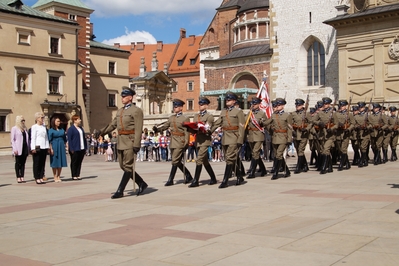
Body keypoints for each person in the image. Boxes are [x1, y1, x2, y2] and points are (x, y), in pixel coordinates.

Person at [98, 87, 148, 198]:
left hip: (130, 141)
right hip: (121, 141)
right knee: (123, 166)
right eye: (122, 96)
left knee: (128, 166)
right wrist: (101, 132)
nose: (122, 98)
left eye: (124, 96)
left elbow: (139, 128)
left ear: (130, 97)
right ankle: (141, 183)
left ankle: (120, 191)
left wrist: (136, 144)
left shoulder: (136, 111)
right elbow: (113, 125)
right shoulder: (120, 111)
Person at [153, 99, 193, 186]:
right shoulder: (171, 118)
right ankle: (188, 175)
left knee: (175, 161)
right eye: (174, 107)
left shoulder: (185, 118)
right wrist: (157, 129)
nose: (174, 108)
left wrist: (186, 142)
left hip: (180, 141)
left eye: (176, 107)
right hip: (173, 141)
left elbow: (187, 131)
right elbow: (165, 126)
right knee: (177, 161)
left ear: (181, 108)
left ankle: (170, 179)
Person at [212, 92, 245, 188]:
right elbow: (218, 123)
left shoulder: (238, 112)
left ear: (234, 101)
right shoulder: (223, 112)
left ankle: (225, 181)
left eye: (229, 100)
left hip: (234, 137)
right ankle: (239, 176)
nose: (227, 101)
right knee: (229, 159)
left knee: (230, 158)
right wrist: (208, 130)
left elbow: (242, 126)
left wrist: (240, 139)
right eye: (226, 99)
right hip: (225, 137)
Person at [188, 97, 217, 187]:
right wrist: (190, 128)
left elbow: (209, 129)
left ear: (206, 105)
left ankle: (195, 180)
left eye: (202, 104)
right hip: (198, 140)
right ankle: (213, 178)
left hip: (205, 140)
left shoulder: (209, 116)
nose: (200, 105)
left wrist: (203, 128)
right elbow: (194, 130)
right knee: (204, 161)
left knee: (199, 159)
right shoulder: (196, 116)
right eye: (199, 104)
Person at [265, 98, 293, 180]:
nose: (277, 107)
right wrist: (261, 122)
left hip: (283, 137)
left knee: (279, 155)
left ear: (283, 106)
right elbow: (267, 123)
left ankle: (276, 173)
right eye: (276, 105)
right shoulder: (273, 115)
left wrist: (289, 139)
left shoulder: (287, 115)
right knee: (277, 155)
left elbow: (289, 128)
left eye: (279, 105)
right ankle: (287, 170)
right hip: (275, 137)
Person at [245, 97, 268, 179]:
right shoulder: (249, 113)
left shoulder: (262, 113)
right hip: (251, 135)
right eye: (252, 104)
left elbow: (265, 124)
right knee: (255, 154)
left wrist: (262, 122)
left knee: (255, 152)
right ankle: (263, 169)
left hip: (258, 135)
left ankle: (252, 172)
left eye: (255, 104)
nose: (253, 105)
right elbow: (245, 122)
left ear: (258, 104)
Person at [291, 98, 312, 174]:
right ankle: (305, 165)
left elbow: (311, 123)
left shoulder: (306, 113)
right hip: (296, 134)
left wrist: (306, 129)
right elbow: (290, 123)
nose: (297, 106)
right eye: (296, 105)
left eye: (299, 105)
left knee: (300, 150)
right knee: (298, 151)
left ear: (302, 105)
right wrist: (293, 131)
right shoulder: (293, 113)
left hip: (303, 135)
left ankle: (298, 167)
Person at [30, 112, 49, 184]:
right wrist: (33, 148)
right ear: (37, 119)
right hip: (37, 146)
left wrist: (47, 147)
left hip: (44, 146)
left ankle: (41, 176)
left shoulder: (44, 127)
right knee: (37, 162)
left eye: (43, 117)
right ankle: (36, 177)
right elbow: (33, 138)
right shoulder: (34, 127)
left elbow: (46, 137)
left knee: (42, 162)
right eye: (41, 117)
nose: (43, 119)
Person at [67, 115, 87, 180]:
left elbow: (84, 138)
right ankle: (74, 174)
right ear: (74, 120)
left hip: (81, 147)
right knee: (74, 162)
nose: (80, 120)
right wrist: (71, 148)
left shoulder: (81, 128)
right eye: (78, 119)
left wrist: (85, 147)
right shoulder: (71, 129)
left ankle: (78, 174)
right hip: (75, 148)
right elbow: (70, 140)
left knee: (79, 161)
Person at [11, 115, 29, 183]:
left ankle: (22, 176)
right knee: (18, 162)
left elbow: (27, 139)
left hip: (24, 147)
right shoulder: (14, 128)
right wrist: (14, 149)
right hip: (18, 148)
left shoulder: (25, 129)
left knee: (23, 163)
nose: (23, 122)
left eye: (24, 120)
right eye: (22, 121)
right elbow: (12, 140)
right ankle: (18, 176)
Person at [48, 117, 67, 182]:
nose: (59, 122)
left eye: (59, 121)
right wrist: (51, 148)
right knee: (55, 161)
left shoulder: (62, 130)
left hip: (61, 146)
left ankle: (59, 175)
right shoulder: (51, 130)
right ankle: (55, 176)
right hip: (54, 145)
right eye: (57, 121)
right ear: (54, 122)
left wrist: (66, 145)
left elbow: (65, 139)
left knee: (60, 161)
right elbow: (49, 140)